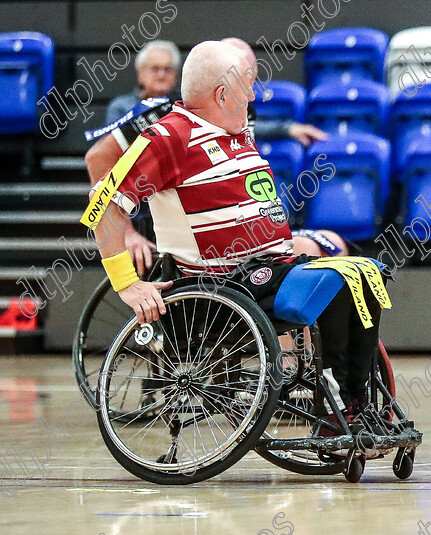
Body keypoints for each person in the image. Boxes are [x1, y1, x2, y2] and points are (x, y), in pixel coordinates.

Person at [83, 40, 388, 421]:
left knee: (364, 272)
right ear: (222, 94)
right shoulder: (168, 138)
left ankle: (353, 405)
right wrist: (127, 283)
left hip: (269, 267)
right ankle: (348, 405)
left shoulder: (236, 132)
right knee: (344, 276)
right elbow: (103, 203)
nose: (253, 95)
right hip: (226, 284)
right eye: (248, 85)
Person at [85, 39, 338, 275]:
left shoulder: (241, 111)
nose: (251, 91)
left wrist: (288, 129)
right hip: (169, 224)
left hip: (236, 238)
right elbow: (98, 161)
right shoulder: (165, 117)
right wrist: (127, 233)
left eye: (252, 77)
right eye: (243, 78)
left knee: (333, 249)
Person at [105, 41, 181, 125]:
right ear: (140, 74)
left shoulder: (184, 106)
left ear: (175, 74)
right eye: (155, 69)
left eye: (167, 69)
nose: (161, 75)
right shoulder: (121, 107)